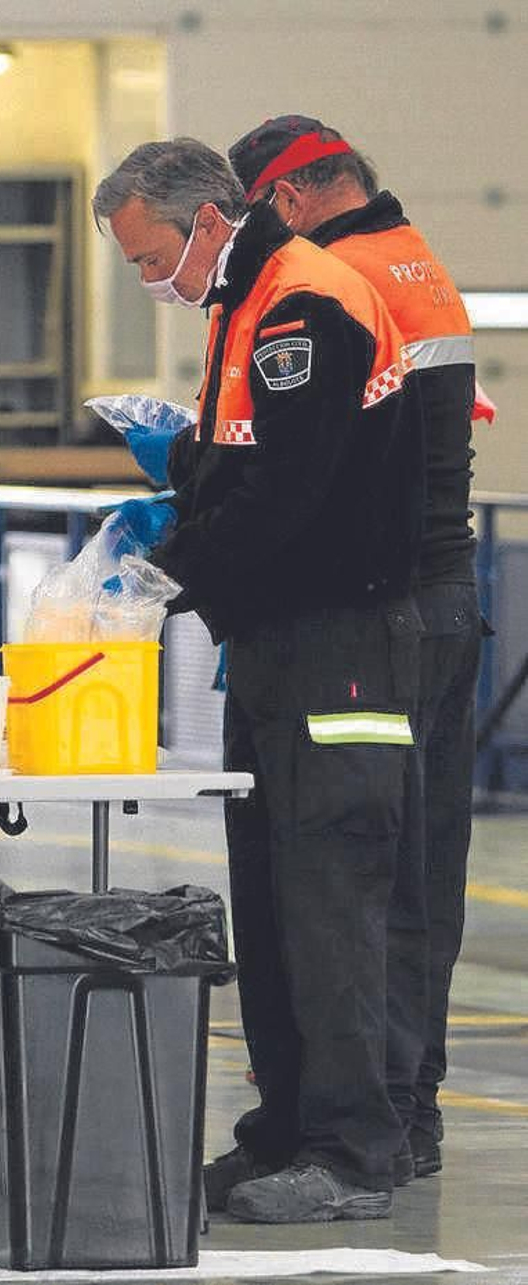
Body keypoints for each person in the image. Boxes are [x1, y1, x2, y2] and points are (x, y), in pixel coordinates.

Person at [93, 140, 423, 1223]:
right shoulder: (244, 303)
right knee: (272, 901)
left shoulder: (304, 302)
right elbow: (238, 461)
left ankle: (353, 1152)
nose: (152, 279)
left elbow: (291, 489)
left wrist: (163, 575)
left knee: (331, 901)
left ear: (206, 220)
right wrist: (181, 484)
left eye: (152, 256)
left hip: (340, 643)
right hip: (278, 641)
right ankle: (282, 1130)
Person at [227, 117, 485, 1184]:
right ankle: (404, 1114)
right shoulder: (416, 258)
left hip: (371, 612)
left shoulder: (332, 277)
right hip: (438, 598)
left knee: (344, 878)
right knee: (413, 873)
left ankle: (356, 1132)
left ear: (285, 200)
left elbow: (322, 464)